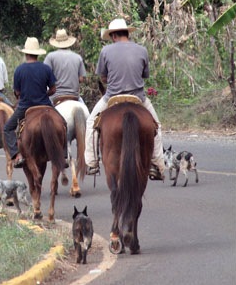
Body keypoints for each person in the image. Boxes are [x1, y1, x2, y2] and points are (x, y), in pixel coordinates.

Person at [84, 18, 165, 180]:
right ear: (127, 33)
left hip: (112, 97)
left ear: (113, 36)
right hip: (138, 98)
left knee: (91, 124)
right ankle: (156, 164)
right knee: (156, 127)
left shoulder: (106, 51)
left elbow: (104, 78)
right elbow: (144, 75)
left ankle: (92, 163)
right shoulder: (142, 50)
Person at [3, 37, 57, 168]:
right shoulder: (46, 68)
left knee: (7, 128)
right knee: (63, 124)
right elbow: (54, 89)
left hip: (25, 106)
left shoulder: (19, 70)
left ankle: (16, 155)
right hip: (44, 105)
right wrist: (44, 94)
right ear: (38, 53)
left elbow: (17, 92)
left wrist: (22, 96)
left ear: (26, 53)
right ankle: (64, 153)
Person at [43, 28, 88, 110]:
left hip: (55, 96)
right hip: (74, 96)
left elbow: (44, 76)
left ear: (56, 42)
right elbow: (81, 79)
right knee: (89, 119)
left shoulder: (50, 56)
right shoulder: (77, 57)